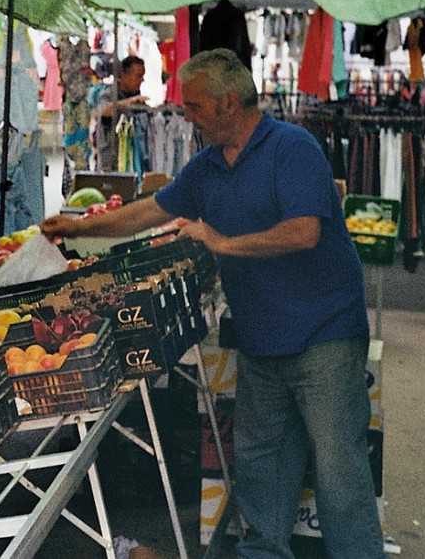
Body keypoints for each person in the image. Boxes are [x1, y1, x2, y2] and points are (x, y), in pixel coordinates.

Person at [41, 49, 381, 558]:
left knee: (339, 471)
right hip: (263, 339)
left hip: (324, 335)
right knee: (263, 464)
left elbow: (304, 232)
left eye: (195, 107)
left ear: (228, 103)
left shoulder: (293, 148)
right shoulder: (207, 166)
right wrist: (79, 227)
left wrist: (222, 243)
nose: (186, 117)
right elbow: (150, 211)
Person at [94, 55, 148, 171]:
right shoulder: (109, 94)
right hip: (111, 165)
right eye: (138, 76)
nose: (142, 80)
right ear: (124, 76)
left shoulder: (136, 97)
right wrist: (129, 102)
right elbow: (105, 111)